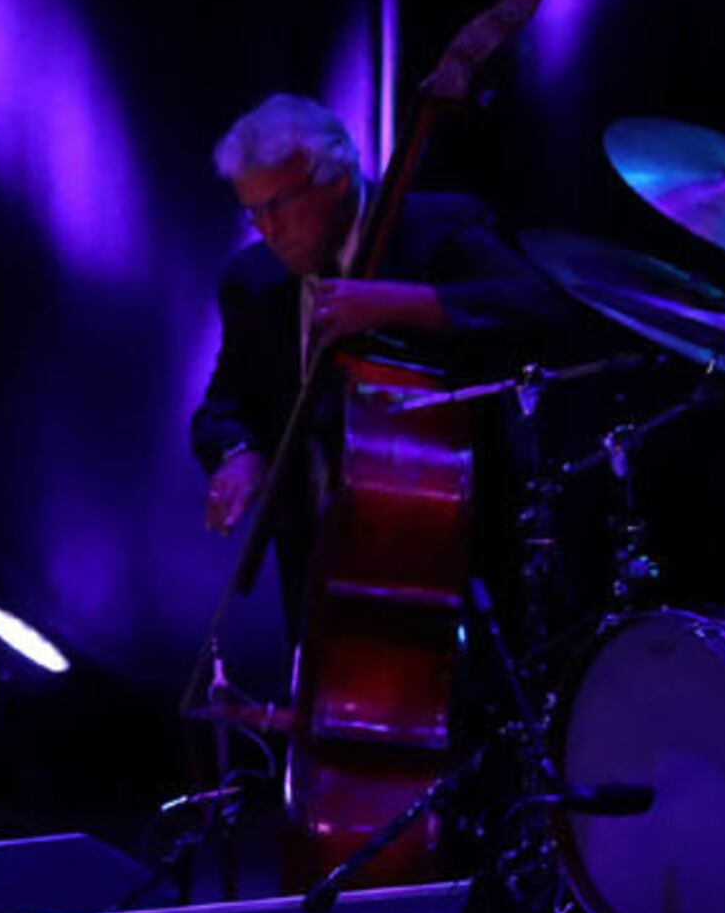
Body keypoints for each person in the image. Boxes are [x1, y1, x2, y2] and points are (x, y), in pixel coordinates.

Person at [187, 93, 560, 598]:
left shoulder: (438, 228)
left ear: (337, 180)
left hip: (457, 555)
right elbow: (224, 404)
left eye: (278, 205)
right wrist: (239, 451)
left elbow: (536, 308)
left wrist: (398, 303)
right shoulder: (251, 280)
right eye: (254, 212)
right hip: (317, 565)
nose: (269, 231)